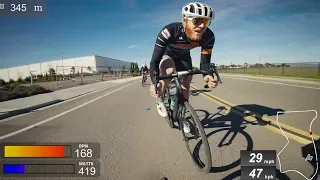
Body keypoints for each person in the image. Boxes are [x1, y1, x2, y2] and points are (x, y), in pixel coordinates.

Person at [149, 2, 219, 133]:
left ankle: (182, 116)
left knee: (187, 81)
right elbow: (154, 60)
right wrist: (155, 82)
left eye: (206, 21)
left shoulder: (209, 37)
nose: (202, 25)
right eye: (197, 20)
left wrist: (207, 75)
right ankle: (159, 98)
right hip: (167, 54)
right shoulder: (169, 31)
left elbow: (205, 63)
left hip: (184, 57)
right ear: (184, 20)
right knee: (168, 71)